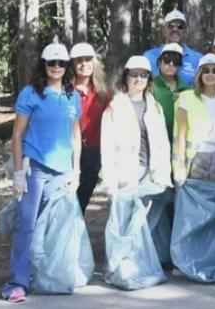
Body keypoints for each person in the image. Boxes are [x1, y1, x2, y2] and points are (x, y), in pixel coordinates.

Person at [4, 43, 83, 304]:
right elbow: (17, 135)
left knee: (57, 227)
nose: (57, 68)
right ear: (44, 65)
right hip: (35, 167)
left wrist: (77, 169)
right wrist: (18, 172)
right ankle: (18, 282)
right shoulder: (31, 94)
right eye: (52, 63)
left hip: (63, 171)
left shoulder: (73, 96)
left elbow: (75, 135)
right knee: (26, 225)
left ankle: (49, 277)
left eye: (62, 64)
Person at [99, 56, 172, 193]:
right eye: (134, 75)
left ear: (149, 79)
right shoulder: (115, 107)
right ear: (126, 77)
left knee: (148, 215)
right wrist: (110, 180)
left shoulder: (155, 107)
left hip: (151, 177)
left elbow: (163, 144)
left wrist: (164, 175)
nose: (139, 79)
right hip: (124, 178)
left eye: (143, 75)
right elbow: (107, 147)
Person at [173, 54, 215, 185]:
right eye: (206, 70)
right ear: (199, 74)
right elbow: (180, 136)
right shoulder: (186, 98)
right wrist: (180, 167)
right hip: (194, 160)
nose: (210, 74)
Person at [70, 42, 111, 213]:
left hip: (94, 152)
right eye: (79, 60)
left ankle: (73, 232)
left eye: (88, 60)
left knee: (83, 197)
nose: (84, 64)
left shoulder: (103, 93)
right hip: (68, 150)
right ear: (72, 64)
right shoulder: (65, 90)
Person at [142, 10, 203, 84]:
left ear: (185, 31)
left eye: (180, 27)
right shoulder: (149, 56)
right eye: (170, 26)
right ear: (164, 30)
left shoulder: (198, 59)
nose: (175, 29)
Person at [152, 43, 191, 149]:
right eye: (167, 60)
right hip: (156, 143)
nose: (171, 64)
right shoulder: (150, 87)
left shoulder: (187, 90)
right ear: (159, 62)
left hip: (180, 144)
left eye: (176, 61)